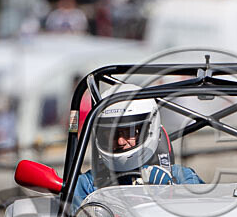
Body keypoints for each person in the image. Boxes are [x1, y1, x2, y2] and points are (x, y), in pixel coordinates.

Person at [73, 84, 202, 208]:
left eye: (129, 132)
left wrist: (173, 191)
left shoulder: (182, 178)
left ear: (149, 129)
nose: (120, 141)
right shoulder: (88, 184)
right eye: (110, 134)